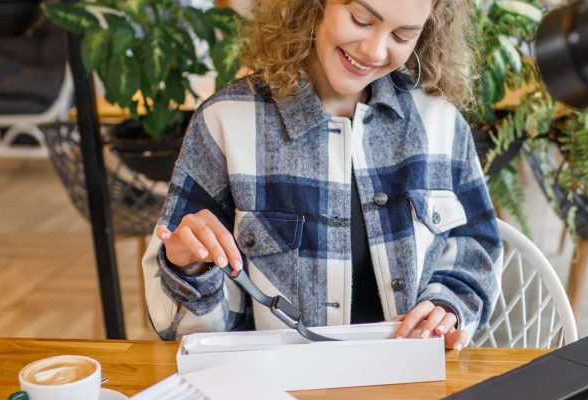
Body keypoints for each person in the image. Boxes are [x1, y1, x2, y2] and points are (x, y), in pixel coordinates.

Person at [141, 0, 500, 352]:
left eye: (403, 36)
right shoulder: (225, 121)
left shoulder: (441, 123)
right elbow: (178, 329)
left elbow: (477, 246)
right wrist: (188, 267)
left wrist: (447, 305)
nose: (374, 51)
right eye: (360, 19)